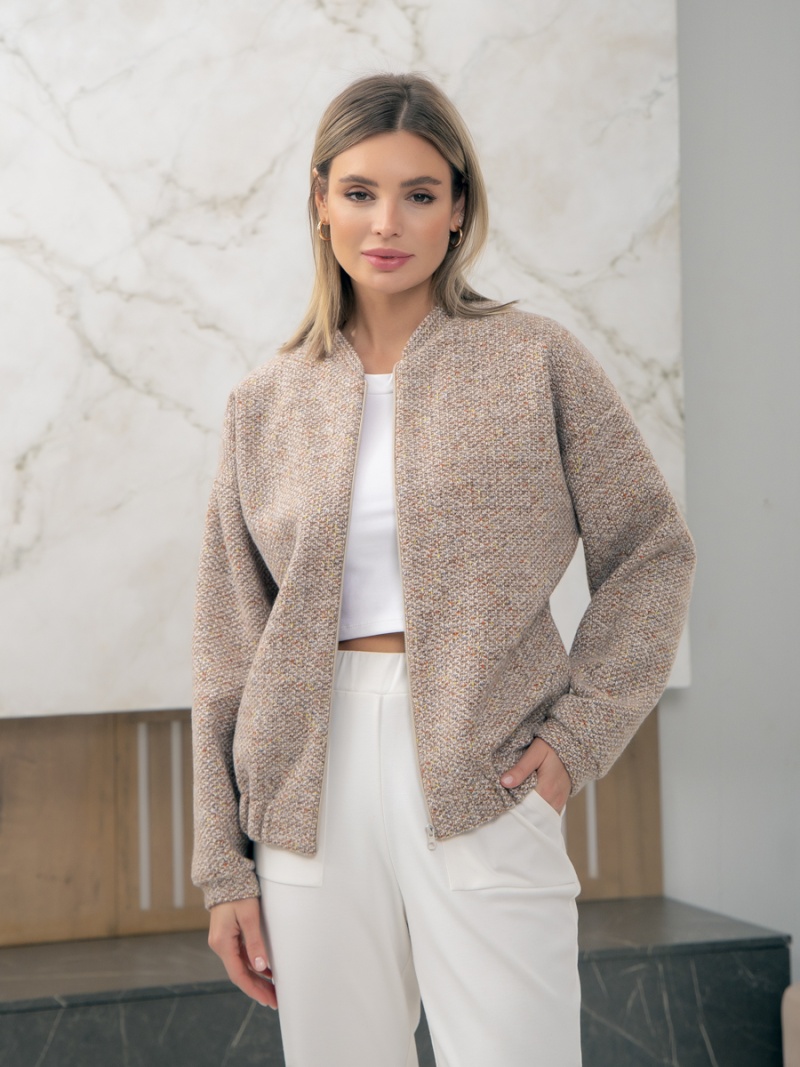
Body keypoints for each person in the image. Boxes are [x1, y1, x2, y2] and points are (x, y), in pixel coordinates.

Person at [191, 72, 696, 1067]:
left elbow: (651, 550)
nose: (387, 222)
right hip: (303, 781)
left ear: (458, 208)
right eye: (359, 191)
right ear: (320, 200)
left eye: (419, 193)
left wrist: (577, 734)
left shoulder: (534, 360)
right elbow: (226, 649)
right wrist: (223, 867)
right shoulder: (265, 401)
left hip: (486, 757)